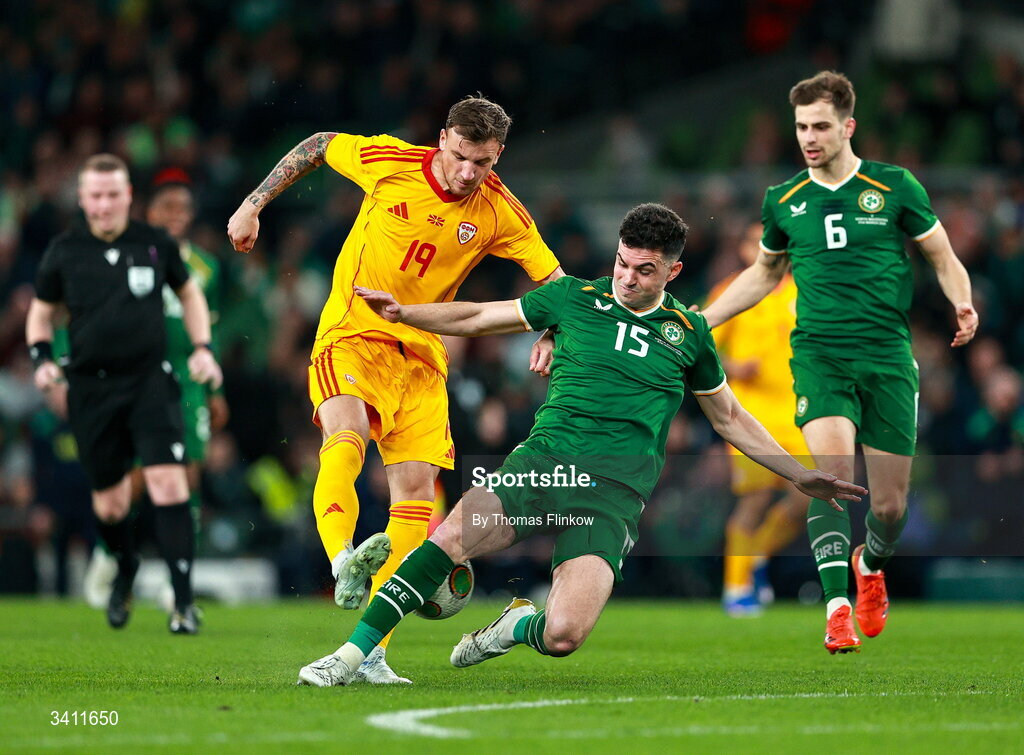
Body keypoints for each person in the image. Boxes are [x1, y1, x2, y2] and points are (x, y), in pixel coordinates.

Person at [294, 202, 866, 686]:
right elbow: (480, 315)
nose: (627, 277)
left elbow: (732, 419)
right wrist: (407, 313)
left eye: (644, 270)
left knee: (564, 635)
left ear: (673, 270)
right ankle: (351, 657)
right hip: (547, 464)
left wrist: (799, 473)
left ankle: (513, 625)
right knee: (449, 536)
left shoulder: (690, 335)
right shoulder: (572, 298)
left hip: (614, 495)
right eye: (622, 262)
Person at [226, 96, 563, 683]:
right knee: (347, 432)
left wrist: (552, 332)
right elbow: (317, 143)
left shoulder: (500, 210)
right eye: (459, 156)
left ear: (497, 155)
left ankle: (373, 650)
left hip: (423, 355)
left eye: (481, 162)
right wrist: (253, 205)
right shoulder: (391, 160)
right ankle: (342, 563)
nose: (467, 172)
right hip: (353, 335)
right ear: (442, 139)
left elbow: (555, 281)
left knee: (416, 495)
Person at [699, 71, 978, 653]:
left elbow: (942, 254)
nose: (809, 137)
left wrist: (963, 302)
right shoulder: (784, 200)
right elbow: (763, 274)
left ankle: (870, 565)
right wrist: (705, 319)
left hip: (888, 360)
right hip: (820, 358)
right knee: (828, 482)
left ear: (848, 126)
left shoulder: (893, 186)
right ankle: (836, 609)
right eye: (801, 126)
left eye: (821, 125)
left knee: (891, 507)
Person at [25, 153, 223, 634]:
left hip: (151, 382)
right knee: (110, 506)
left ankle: (182, 602)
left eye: (114, 194)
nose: (105, 204)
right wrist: (42, 359)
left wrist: (201, 347)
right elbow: (41, 312)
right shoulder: (64, 250)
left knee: (170, 484)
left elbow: (191, 293)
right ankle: (126, 567)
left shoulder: (154, 244)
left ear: (128, 196)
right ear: (82, 198)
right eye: (96, 195)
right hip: (92, 391)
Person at [82, 168, 229, 612]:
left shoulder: (205, 267)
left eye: (183, 208)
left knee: (190, 475)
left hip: (187, 379)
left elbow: (211, 328)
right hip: (139, 376)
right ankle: (108, 558)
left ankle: (176, 580)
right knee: (142, 478)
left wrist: (215, 384)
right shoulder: (126, 255)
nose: (176, 216)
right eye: (167, 207)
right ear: (148, 210)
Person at [706, 222, 809, 617]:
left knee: (809, 497)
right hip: (750, 414)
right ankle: (736, 588)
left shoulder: (804, 292)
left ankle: (757, 555)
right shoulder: (731, 291)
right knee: (755, 499)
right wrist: (732, 365)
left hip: (799, 414)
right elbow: (700, 348)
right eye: (755, 242)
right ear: (745, 250)